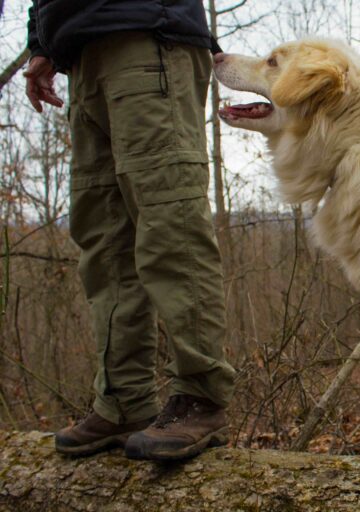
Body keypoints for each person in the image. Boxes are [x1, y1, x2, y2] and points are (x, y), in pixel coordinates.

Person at [24, 0, 236, 460]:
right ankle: (124, 401)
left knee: (170, 226)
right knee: (104, 241)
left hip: (147, 34)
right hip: (79, 53)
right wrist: (40, 41)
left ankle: (202, 397)